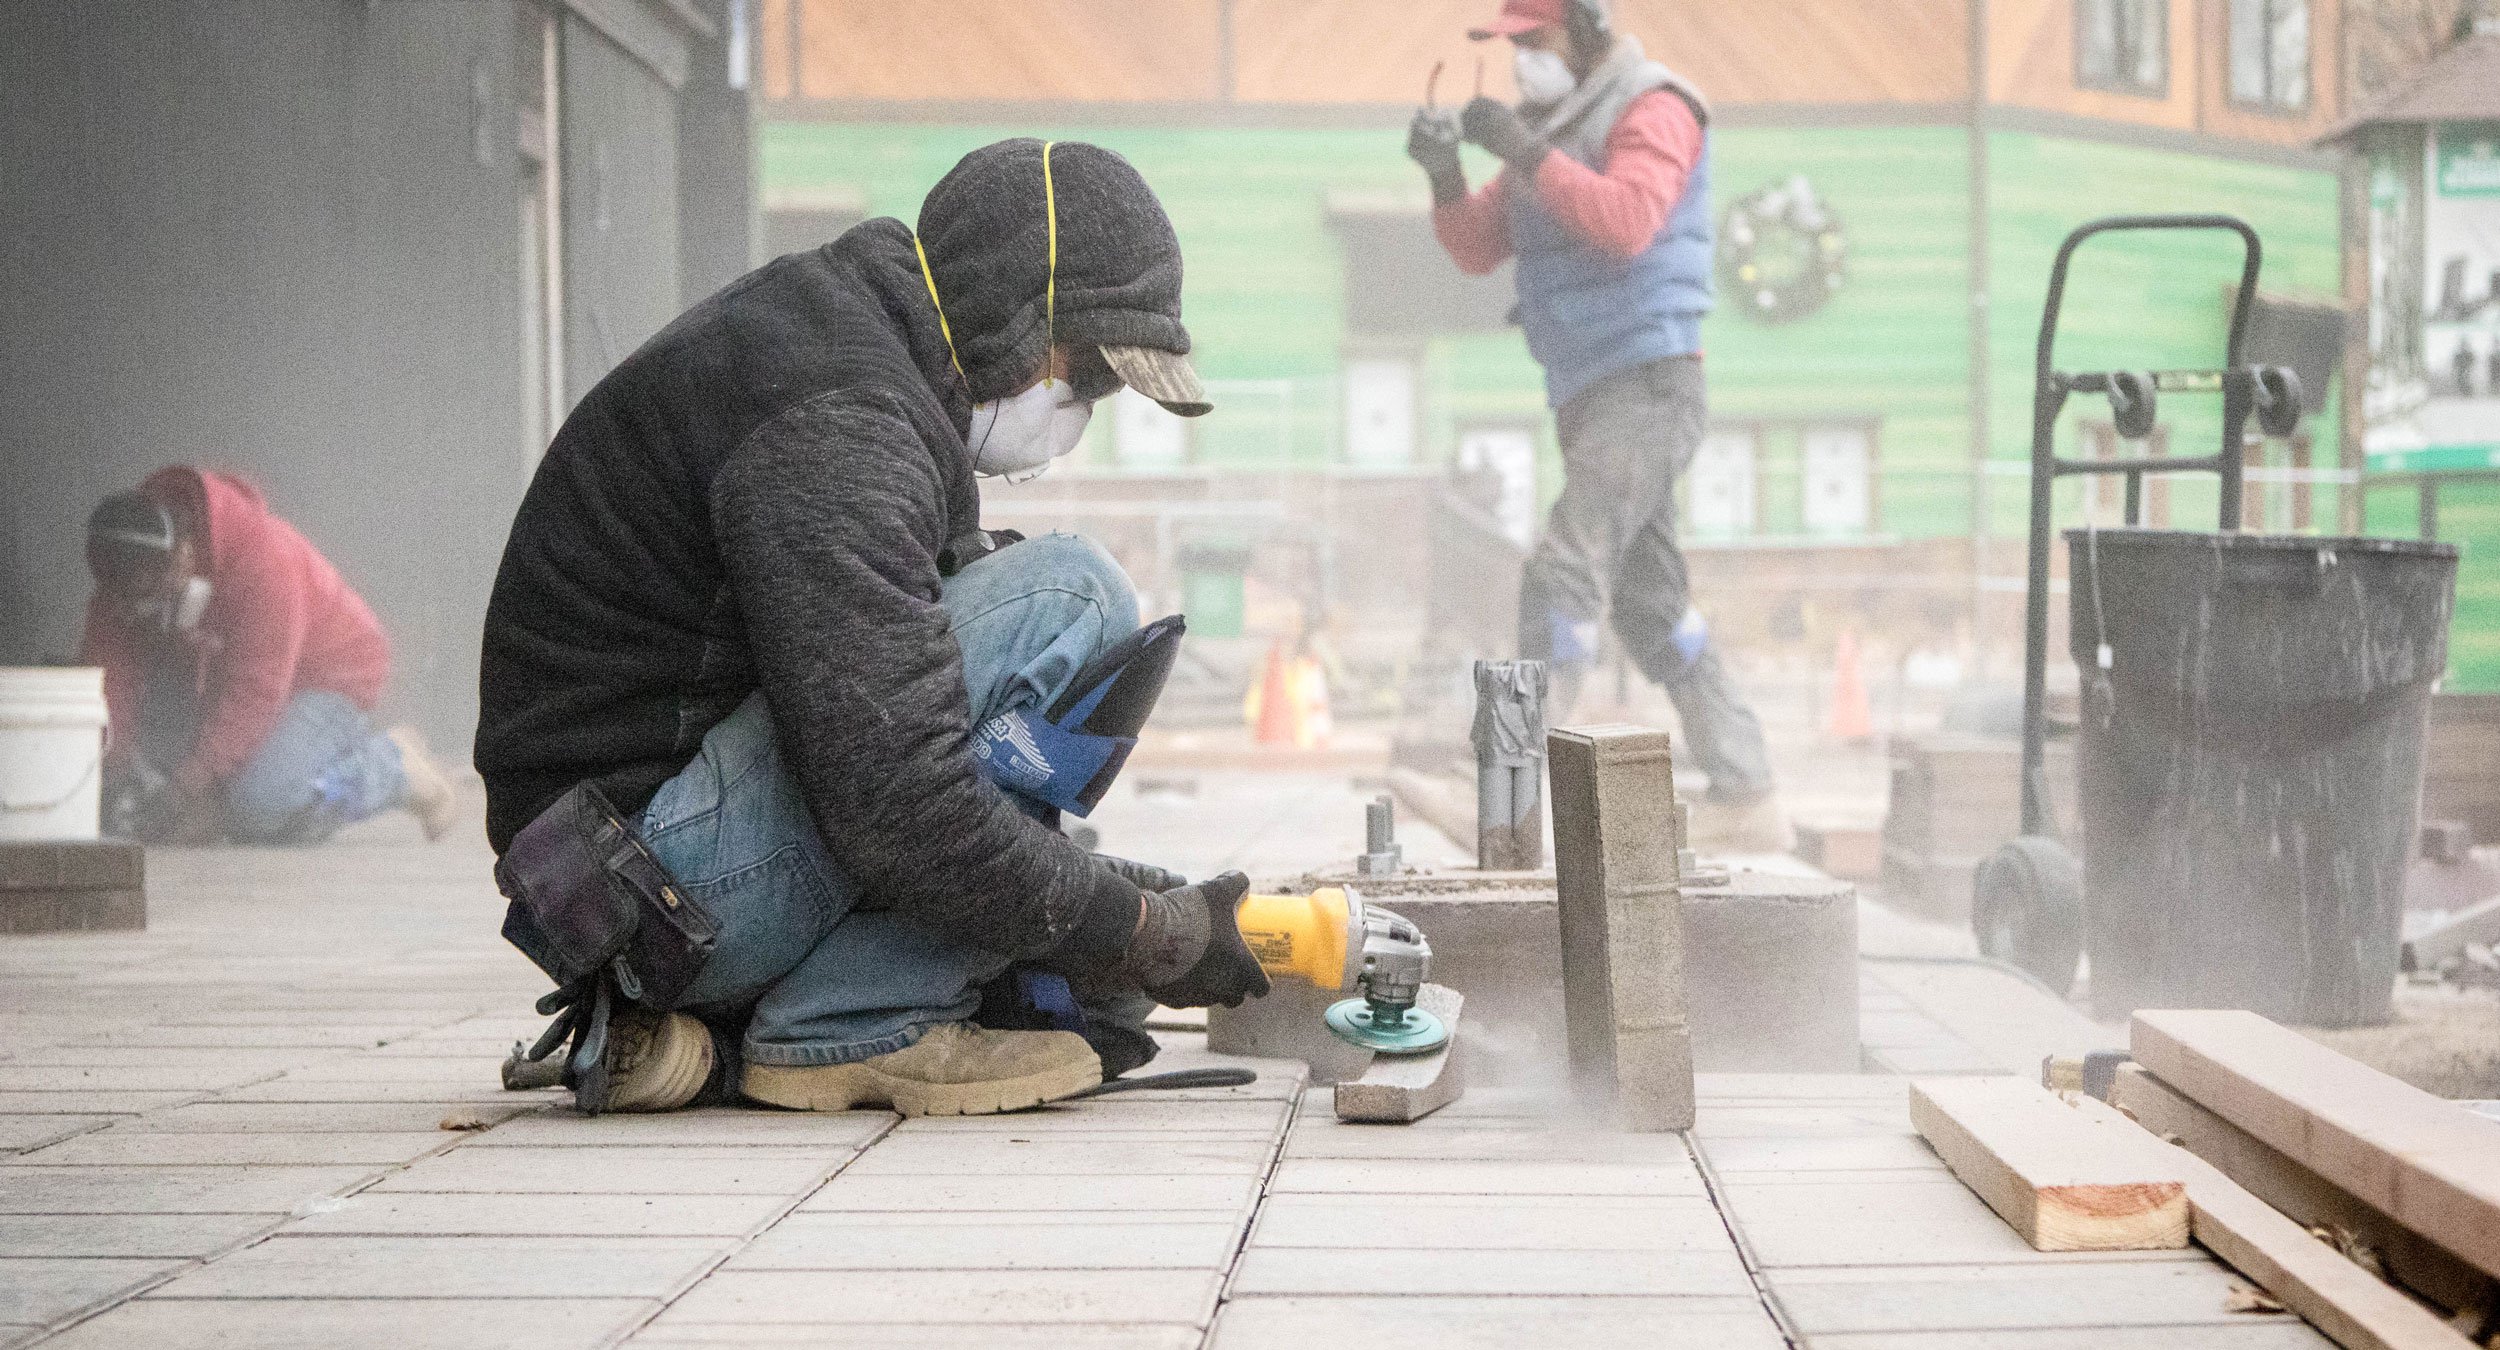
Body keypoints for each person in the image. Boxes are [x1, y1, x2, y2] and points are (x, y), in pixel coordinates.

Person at [475, 139, 1272, 1118]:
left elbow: (901, 729)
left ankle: (716, 1042)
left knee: (1075, 966)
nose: (1085, 410)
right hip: (650, 888)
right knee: (1071, 597)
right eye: (1091, 373)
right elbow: (900, 800)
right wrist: (1141, 926)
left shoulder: (856, 355)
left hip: (626, 884)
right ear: (1019, 312)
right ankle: (853, 1026)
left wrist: (1117, 907)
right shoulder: (840, 422)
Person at [1408, 0, 1790, 851]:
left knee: (1562, 572)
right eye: (1511, 50)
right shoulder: (1555, 124)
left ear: (1585, 30)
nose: (1521, 66)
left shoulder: (1654, 106)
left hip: (1648, 385)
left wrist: (1520, 147)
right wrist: (1443, 174)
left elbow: (1627, 221)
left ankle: (1506, 804)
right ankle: (1750, 795)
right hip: (1591, 396)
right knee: (1655, 609)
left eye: (1532, 43)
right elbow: (1478, 245)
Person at [78, 467, 459, 846]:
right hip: (226, 676)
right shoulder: (125, 581)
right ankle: (238, 790)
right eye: (126, 599)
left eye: (154, 595)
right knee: (176, 778)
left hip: (328, 678)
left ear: (183, 554)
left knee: (259, 807)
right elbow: (108, 684)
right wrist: (112, 770)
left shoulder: (266, 561)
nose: (140, 609)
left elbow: (256, 692)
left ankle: (392, 769)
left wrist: (188, 785)